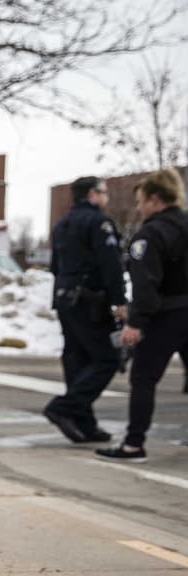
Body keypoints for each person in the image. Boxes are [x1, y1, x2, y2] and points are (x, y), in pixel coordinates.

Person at [96, 169, 188, 462]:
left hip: (168, 313)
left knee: (143, 378)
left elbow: (146, 283)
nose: (139, 208)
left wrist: (136, 322)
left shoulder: (151, 234)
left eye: (140, 201)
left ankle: (133, 444)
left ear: (154, 198)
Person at [43, 176, 128, 443]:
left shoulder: (62, 223)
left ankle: (84, 423)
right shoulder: (98, 223)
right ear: (93, 193)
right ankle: (64, 408)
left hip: (65, 297)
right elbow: (111, 264)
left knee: (77, 360)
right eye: (104, 192)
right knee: (106, 359)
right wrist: (119, 301)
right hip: (89, 299)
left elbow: (55, 265)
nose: (107, 197)